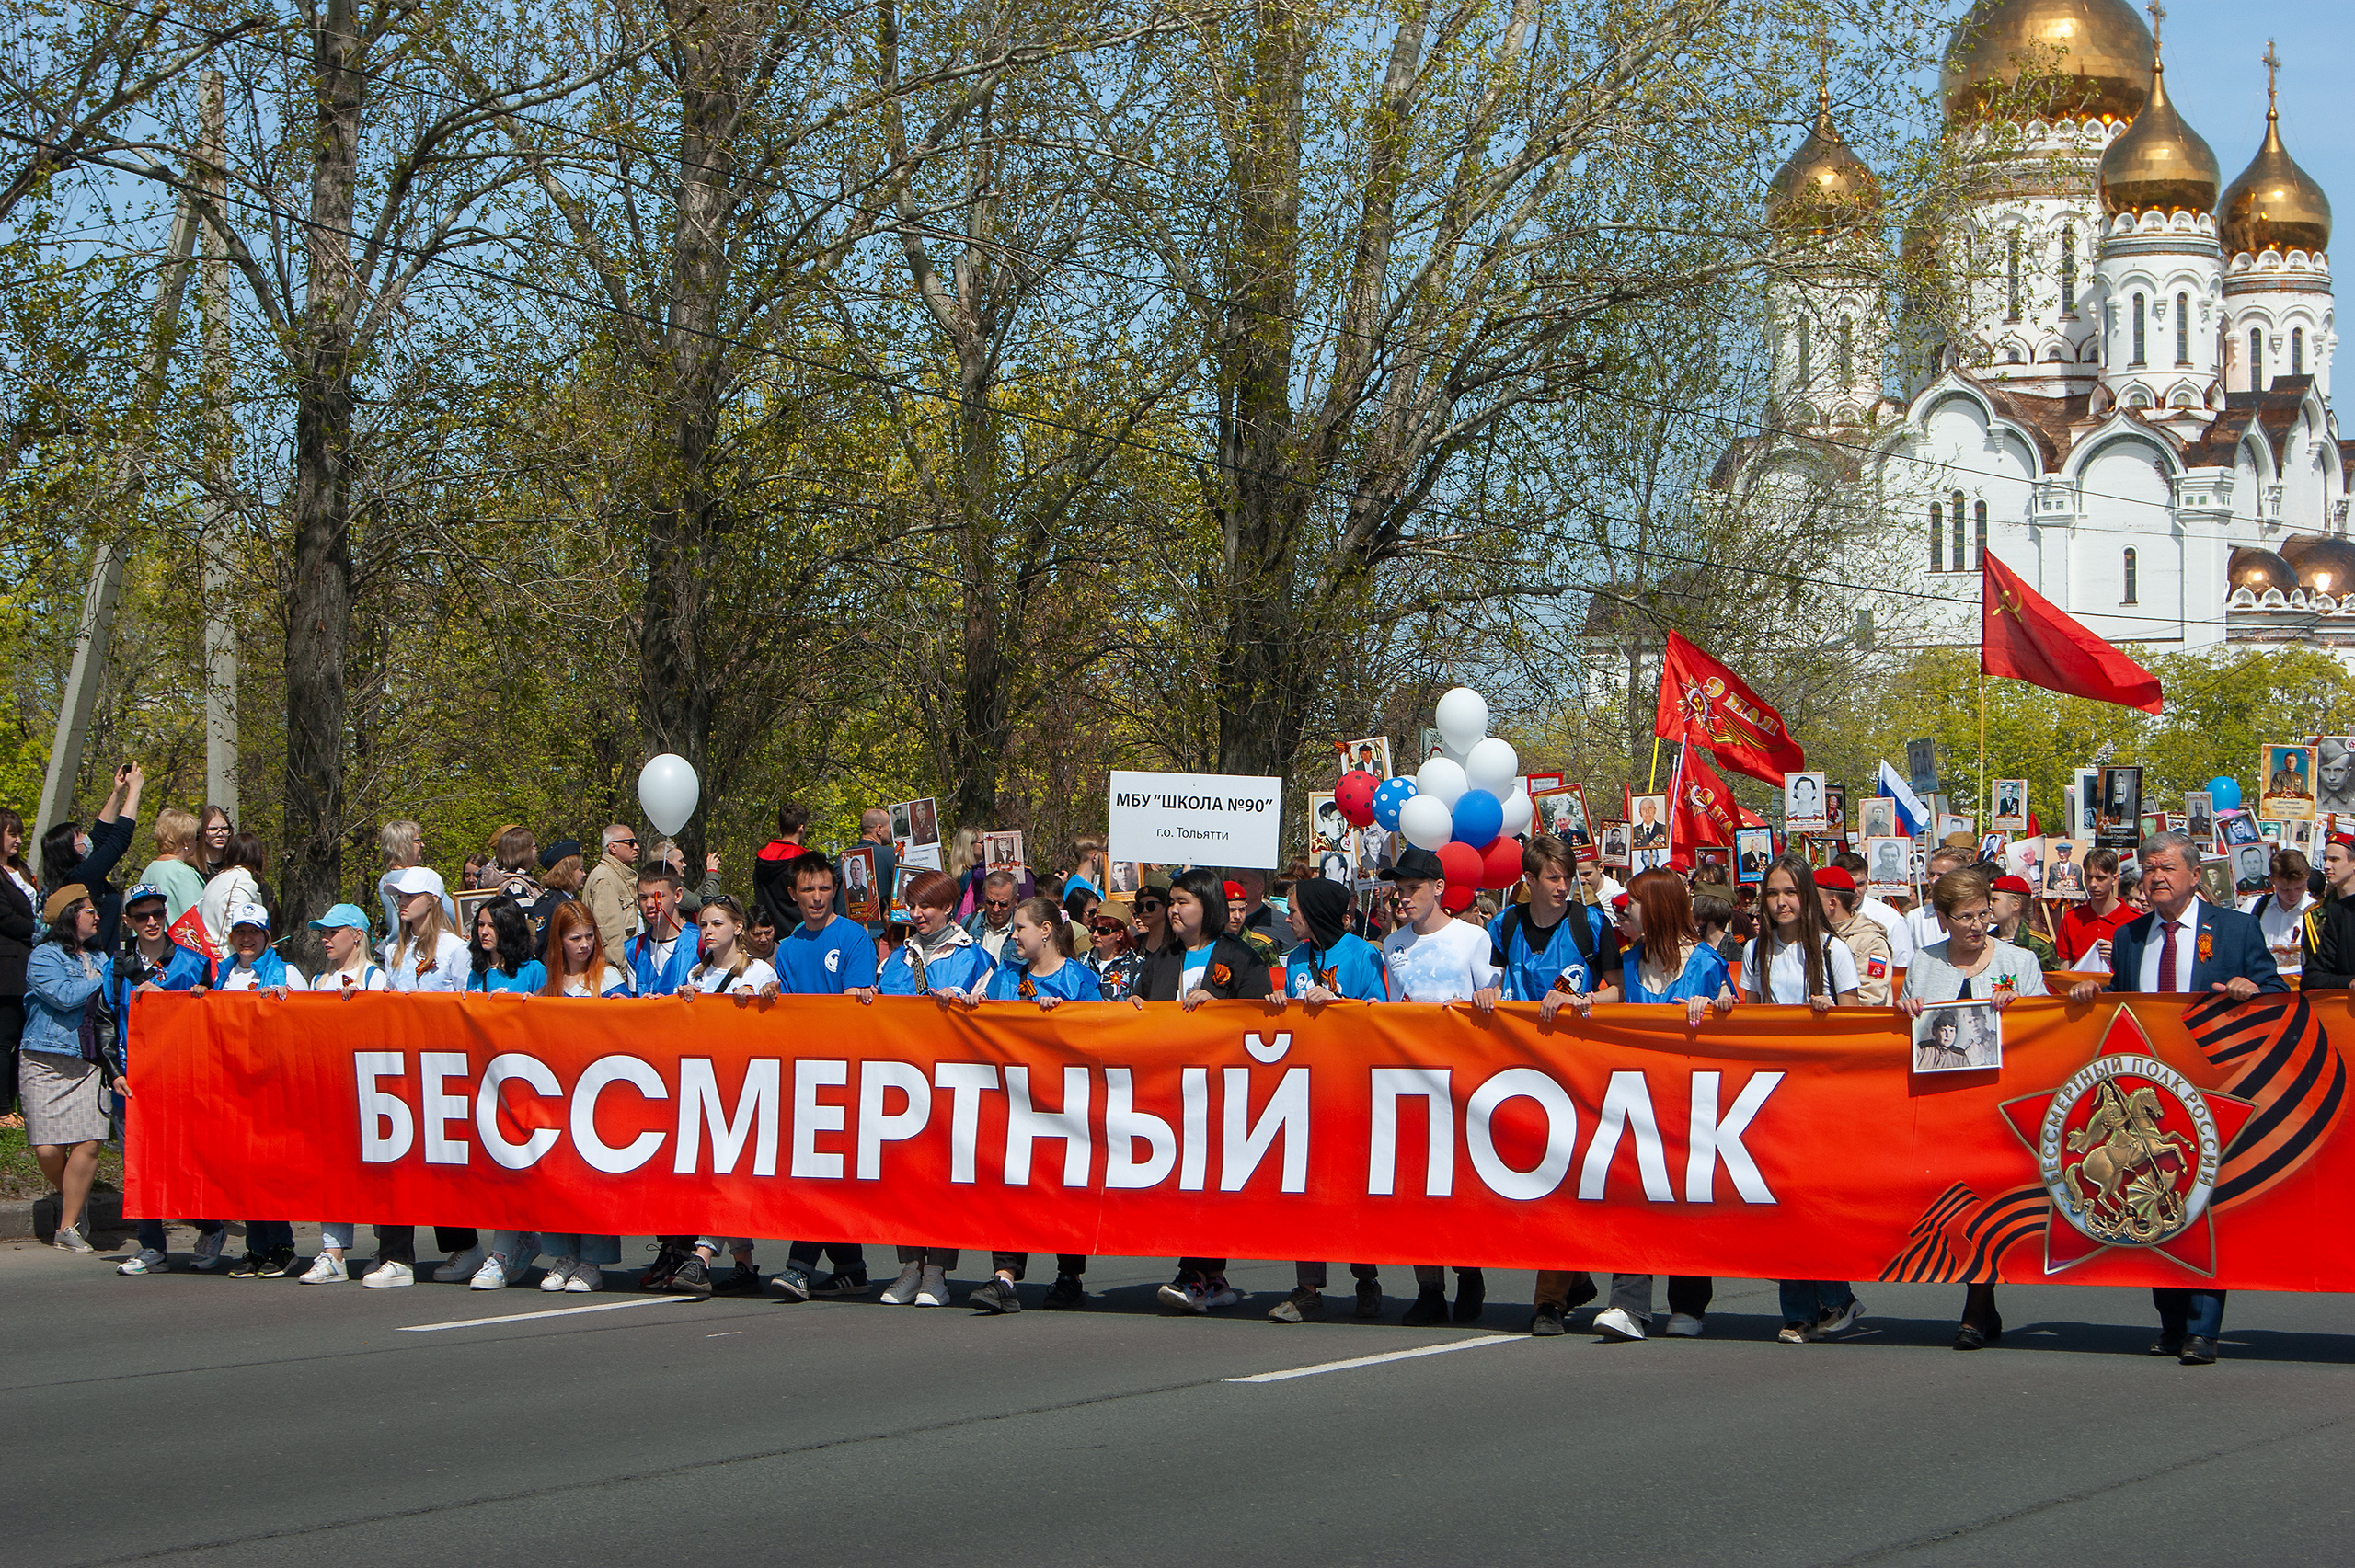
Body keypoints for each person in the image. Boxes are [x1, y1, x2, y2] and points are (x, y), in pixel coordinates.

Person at [2068, 832, 2286, 1366]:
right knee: (2154, 1198)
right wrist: (2094, 993)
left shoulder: (2236, 929)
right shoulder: (2131, 935)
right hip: (2153, 1089)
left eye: (2165, 867)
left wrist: (2250, 990)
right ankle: (2169, 1322)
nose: (2155, 876)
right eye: (2147, 868)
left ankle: (2203, 1328)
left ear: (2194, 874)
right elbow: (2122, 1004)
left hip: (2213, 1089)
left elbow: (2278, 994)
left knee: (2202, 1201)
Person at [1560, 867, 1735, 1341]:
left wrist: (1719, 1004)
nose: (1622, 911)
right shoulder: (1630, 958)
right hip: (1638, 1101)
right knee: (1634, 1199)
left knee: (1687, 1199)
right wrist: (1580, 1001)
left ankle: (1689, 1305)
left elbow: (1735, 1015)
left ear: (1655, 907)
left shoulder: (1706, 963)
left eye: (1630, 903)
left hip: (1693, 1104)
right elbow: (1618, 996)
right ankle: (1629, 1305)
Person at [1472, 834, 1622, 1335]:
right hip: (1517, 1070)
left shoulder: (1591, 924)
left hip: (1577, 1071)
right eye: (1554, 878)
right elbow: (1490, 981)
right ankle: (1571, 1277)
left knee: (1560, 1179)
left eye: (1568, 877)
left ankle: (1549, 1303)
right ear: (1529, 881)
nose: (1564, 887)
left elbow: (1619, 992)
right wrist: (1487, 991)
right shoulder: (1504, 925)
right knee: (1529, 1186)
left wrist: (1585, 1002)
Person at [1898, 867, 2048, 1348]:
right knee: (1954, 1205)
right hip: (1945, 1105)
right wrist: (1904, 1012)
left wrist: (2020, 1006)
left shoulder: (2019, 960)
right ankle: (1981, 1303)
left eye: (1984, 913)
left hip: (2000, 1103)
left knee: (1988, 1202)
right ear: (1943, 919)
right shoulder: (1923, 962)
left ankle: (1977, 1309)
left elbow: (2047, 1028)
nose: (1978, 925)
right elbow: (1902, 1029)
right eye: (1964, 917)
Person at [954, 898, 1106, 1316]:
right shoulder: (1005, 976)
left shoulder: (1079, 980)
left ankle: (1069, 1275)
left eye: (1020, 927)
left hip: (1064, 1103)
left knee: (1064, 1187)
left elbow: (1101, 1033)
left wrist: (1064, 1017)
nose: (1014, 935)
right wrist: (966, 1006)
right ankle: (1004, 1276)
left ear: (1045, 930)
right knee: (1010, 1184)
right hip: (1015, 1102)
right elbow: (986, 1018)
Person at [1132, 865, 1272, 1314]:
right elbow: (1142, 1001)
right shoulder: (1161, 957)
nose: (1172, 910)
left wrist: (1222, 1008)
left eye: (1181, 903)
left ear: (1206, 906)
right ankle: (1210, 1276)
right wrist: (1134, 1008)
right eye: (1171, 902)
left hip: (1222, 1089)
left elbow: (1261, 1018)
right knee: (1183, 1183)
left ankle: (1193, 1273)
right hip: (1170, 1089)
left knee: (1209, 1181)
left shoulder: (1241, 956)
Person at [1373, 845, 1500, 1327]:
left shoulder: (1473, 939)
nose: (1403, 899)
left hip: (1461, 1078)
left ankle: (1469, 1273)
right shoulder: (1393, 944)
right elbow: (1393, 1005)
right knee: (1416, 1187)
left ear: (1439, 889)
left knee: (1458, 1186)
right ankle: (1428, 1287)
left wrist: (1485, 998)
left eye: (1413, 889)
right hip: (1410, 1077)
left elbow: (1492, 1001)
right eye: (1399, 890)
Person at [1744, 854, 1863, 1345]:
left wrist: (1830, 1012)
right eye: (1772, 893)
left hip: (1821, 1093)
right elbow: (1752, 1021)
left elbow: (1857, 1024)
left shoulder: (1834, 952)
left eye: (1790, 892)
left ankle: (1836, 1296)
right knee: (1782, 1206)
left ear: (1807, 896)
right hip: (1774, 1093)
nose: (1781, 902)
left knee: (1813, 1203)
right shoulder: (1756, 950)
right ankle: (1800, 1311)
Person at [1263, 875, 1392, 1323]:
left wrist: (1338, 1001)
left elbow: (1381, 1015)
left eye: (1295, 910)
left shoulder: (1364, 955)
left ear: (1315, 912)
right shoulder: (1296, 956)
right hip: (1303, 1089)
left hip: (1351, 1089)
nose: (1289, 917)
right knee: (1304, 1190)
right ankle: (1307, 1288)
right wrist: (1278, 999)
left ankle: (1366, 1276)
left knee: (1352, 1190)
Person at [757, 852, 878, 1304]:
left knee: (823, 1173)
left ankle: (799, 1267)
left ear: (836, 891)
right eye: (808, 889)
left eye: (825, 888)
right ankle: (850, 1267)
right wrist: (772, 994)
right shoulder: (787, 948)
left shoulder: (853, 937)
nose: (817, 898)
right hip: (804, 1071)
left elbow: (852, 1004)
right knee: (819, 1172)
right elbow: (787, 1011)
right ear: (793, 894)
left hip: (844, 1070)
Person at [375, 864, 482, 1284]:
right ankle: (395, 1254)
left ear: (432, 901)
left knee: (441, 1162)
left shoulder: (456, 948)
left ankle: (464, 1245)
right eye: (398, 896)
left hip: (441, 1068)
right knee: (396, 1157)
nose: (402, 902)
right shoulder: (393, 949)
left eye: (410, 895)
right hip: (398, 1067)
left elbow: (464, 1004)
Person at [110, 883, 221, 1275]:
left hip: (181, 1078)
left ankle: (210, 1228)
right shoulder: (116, 965)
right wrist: (115, 1072)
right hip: (134, 1080)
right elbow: (104, 1022)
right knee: (139, 1163)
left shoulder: (193, 962)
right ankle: (151, 1245)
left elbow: (216, 1016)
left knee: (188, 1157)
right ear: (128, 921)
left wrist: (190, 997)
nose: (152, 922)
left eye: (158, 913)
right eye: (142, 916)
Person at [293, 905, 390, 1285]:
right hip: (330, 1086)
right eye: (323, 931)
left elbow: (384, 1029)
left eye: (334, 931)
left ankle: (386, 1248)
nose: (325, 938)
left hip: (368, 1090)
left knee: (376, 1172)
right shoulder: (318, 980)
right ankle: (333, 1251)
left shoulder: (374, 975)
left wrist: (361, 1004)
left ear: (358, 934)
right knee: (331, 1170)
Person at [22, 885, 113, 1254]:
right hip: (45, 1058)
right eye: (88, 910)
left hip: (89, 1059)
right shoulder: (43, 956)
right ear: (69, 915)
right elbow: (63, 995)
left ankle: (69, 1224)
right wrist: (105, 978)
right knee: (46, 1149)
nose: (95, 916)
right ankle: (76, 1198)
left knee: (88, 1142)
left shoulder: (101, 956)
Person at [41, 761, 143, 954]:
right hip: (95, 962)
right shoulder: (80, 878)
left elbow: (100, 834)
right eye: (79, 836)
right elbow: (118, 840)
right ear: (70, 851)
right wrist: (135, 790)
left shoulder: (79, 872)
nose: (86, 839)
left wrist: (117, 792)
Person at [0, 807, 36, 1121]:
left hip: (28, 964)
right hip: (7, 966)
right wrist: (39, 928)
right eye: (12, 833)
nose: (19, 840)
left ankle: (13, 1102)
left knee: (21, 1039)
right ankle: (2, 1108)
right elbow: (6, 919)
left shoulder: (21, 870)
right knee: (5, 1038)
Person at [1817, 866, 1893, 1005]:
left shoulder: (1871, 942)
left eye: (1813, 898)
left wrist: (1830, 1006)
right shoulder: (1813, 935)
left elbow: (1871, 996)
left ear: (1832, 903)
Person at [626, 866, 698, 998]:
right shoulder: (634, 948)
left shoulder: (700, 942)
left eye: (658, 897)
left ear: (677, 895)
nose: (649, 904)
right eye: (643, 897)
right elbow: (634, 1001)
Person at [2244, 848, 2314, 983]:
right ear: (2272, 880)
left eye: (2299, 888)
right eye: (2284, 889)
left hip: (2302, 990)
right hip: (2263, 987)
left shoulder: (2316, 912)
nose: (2292, 896)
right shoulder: (2254, 907)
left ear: (2307, 877)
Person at [2054, 847, 2130, 972]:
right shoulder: (2072, 918)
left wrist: (2119, 957)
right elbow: (2065, 971)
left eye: (2100, 878)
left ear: (2114, 879)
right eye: (2089, 877)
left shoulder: (2134, 920)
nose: (2093, 884)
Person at [582, 824, 642, 969]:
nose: (637, 847)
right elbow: (609, 935)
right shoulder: (605, 879)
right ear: (613, 847)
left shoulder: (619, 877)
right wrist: (621, 973)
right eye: (630, 843)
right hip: (616, 972)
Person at [135, 807, 209, 926]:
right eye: (196, 837)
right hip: (179, 943)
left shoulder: (149, 871)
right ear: (185, 841)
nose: (197, 842)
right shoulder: (182, 873)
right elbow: (199, 918)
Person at [2302, 834, 2355, 987]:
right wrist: (2348, 982)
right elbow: (2313, 973)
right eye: (2325, 859)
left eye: (2334, 859)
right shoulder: (2330, 912)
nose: (2326, 866)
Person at [466, 898, 546, 994]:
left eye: (492, 926)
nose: (484, 932)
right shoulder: (476, 973)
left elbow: (546, 1007)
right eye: (481, 924)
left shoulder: (533, 971)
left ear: (509, 929)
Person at [1988, 874, 2060, 971]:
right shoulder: (1986, 941)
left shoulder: (2040, 945)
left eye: (1995, 900)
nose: (1989, 905)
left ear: (2015, 905)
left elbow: (2050, 982)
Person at [1082, 896, 1142, 1000]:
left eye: (1103, 931)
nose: (1095, 934)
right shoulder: (1082, 960)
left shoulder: (1135, 964)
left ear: (1119, 935)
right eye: (1093, 928)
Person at [965, 869, 1020, 962]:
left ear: (1015, 900)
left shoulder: (1023, 932)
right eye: (990, 902)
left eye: (1003, 904)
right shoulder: (968, 924)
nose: (996, 909)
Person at [198, 804, 234, 877]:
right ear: (201, 831)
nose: (220, 834)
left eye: (224, 828)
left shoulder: (236, 865)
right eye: (213, 829)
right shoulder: (192, 868)